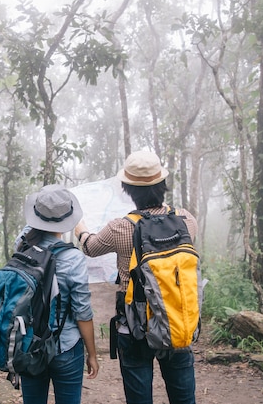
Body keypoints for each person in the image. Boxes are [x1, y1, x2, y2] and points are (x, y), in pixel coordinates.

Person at [74, 150, 197, 404]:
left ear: (128, 189)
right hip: (176, 319)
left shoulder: (122, 227)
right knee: (184, 398)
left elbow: (90, 248)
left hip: (134, 325)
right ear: (163, 184)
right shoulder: (186, 220)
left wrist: (80, 226)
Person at [17, 184, 99, 404]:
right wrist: (92, 354)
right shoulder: (73, 258)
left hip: (29, 344)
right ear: (68, 219)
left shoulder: (22, 247)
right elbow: (82, 313)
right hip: (66, 347)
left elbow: (29, 230)